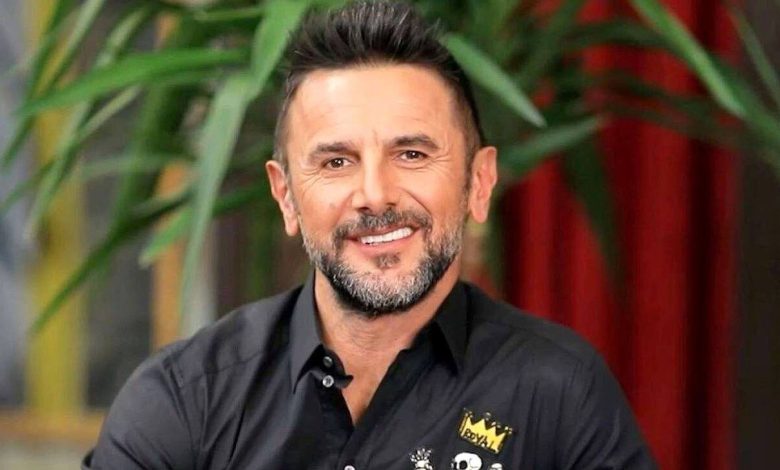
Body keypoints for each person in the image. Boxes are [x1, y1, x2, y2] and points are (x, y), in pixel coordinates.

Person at [83, 1, 656, 469]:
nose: (376, 194)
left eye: (412, 154)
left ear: (479, 183)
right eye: (336, 162)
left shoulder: (560, 396)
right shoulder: (185, 399)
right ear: (286, 196)